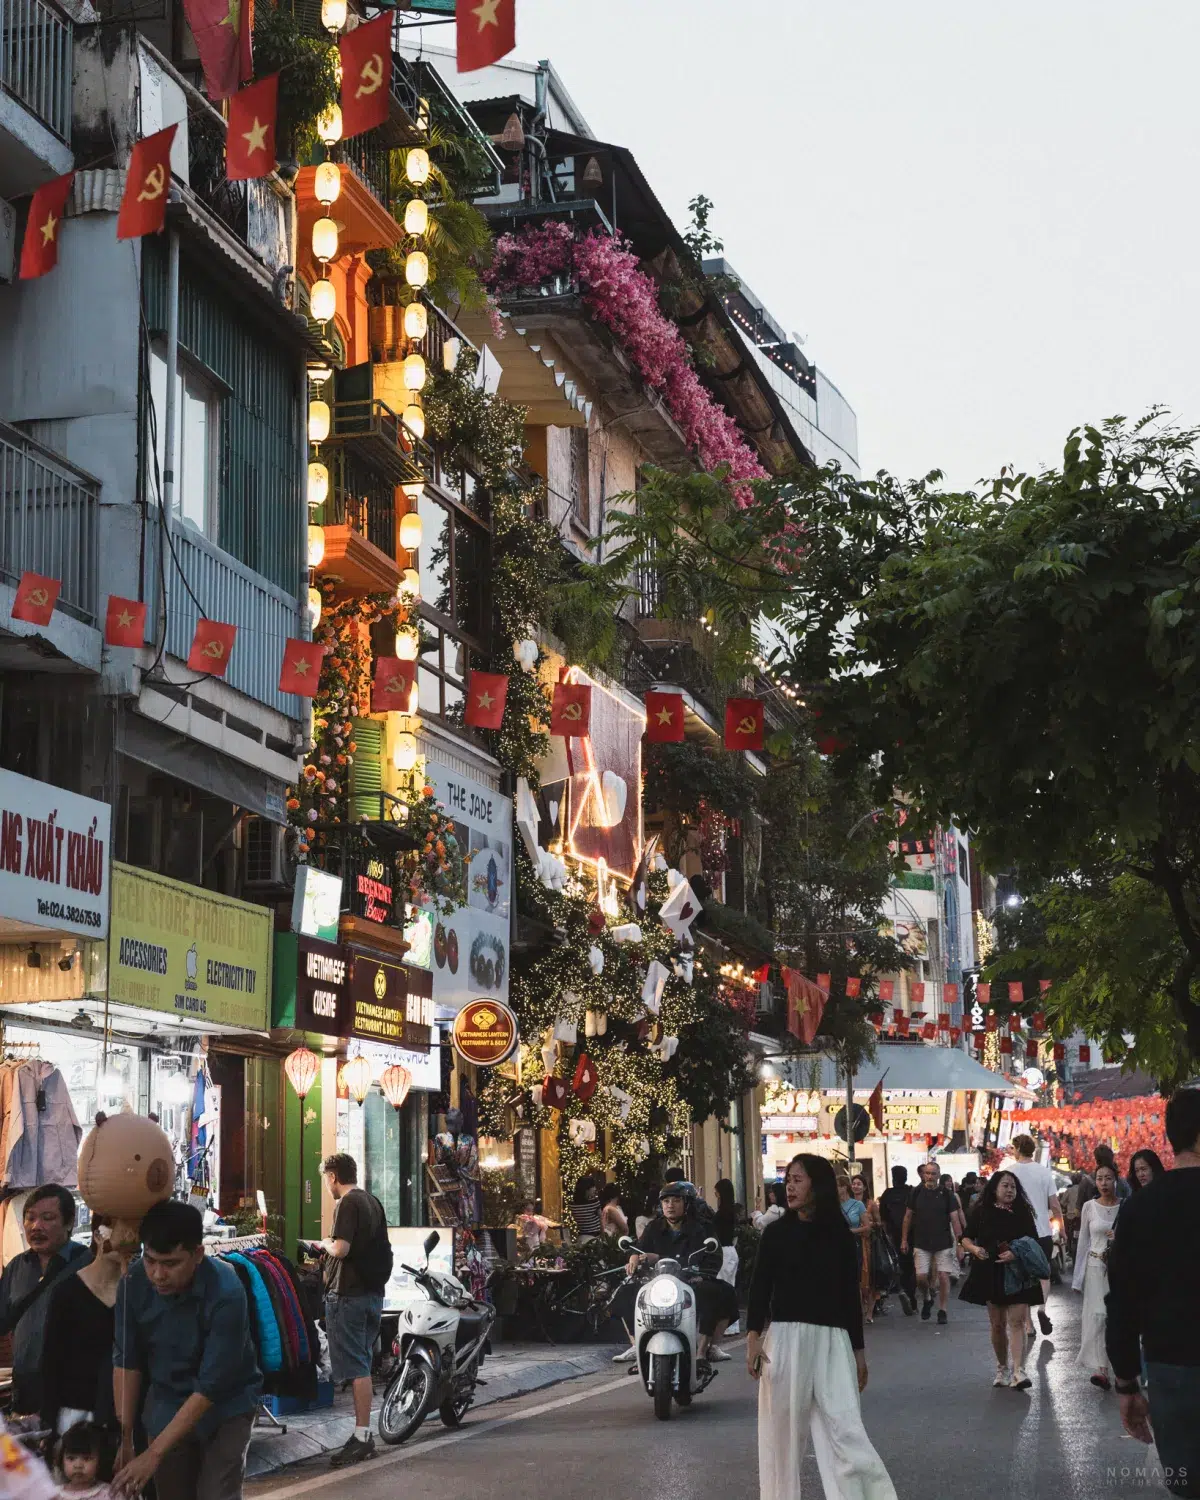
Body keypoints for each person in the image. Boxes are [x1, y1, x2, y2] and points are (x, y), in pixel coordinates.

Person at [747, 1153, 897, 1500]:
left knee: (846, 1431)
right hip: (784, 1342)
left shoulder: (839, 1236)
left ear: (818, 1184)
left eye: (798, 1179)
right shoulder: (775, 1234)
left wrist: (859, 1354)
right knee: (780, 1439)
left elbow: (849, 1298)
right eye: (788, 1180)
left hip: (834, 1342)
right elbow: (759, 1288)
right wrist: (754, 1339)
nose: (790, 1187)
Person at [112, 1200, 262, 1500]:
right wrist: (126, 1438)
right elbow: (127, 1361)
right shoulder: (132, 1282)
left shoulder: (227, 1290)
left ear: (197, 1254)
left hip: (225, 1406)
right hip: (166, 1402)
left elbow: (211, 1386)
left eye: (170, 1264)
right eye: (151, 1260)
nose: (157, 1274)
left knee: (216, 1492)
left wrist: (153, 1454)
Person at [1106, 1087, 1200, 1496]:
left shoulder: (1140, 1208)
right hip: (1170, 1366)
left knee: (1186, 1483)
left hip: (1170, 1367)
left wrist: (1127, 1383)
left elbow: (1122, 1300)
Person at [317, 1151, 392, 1469]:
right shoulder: (372, 1201)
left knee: (358, 1368)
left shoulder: (346, 1203)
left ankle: (362, 1437)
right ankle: (362, 1434)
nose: (326, 1185)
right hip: (372, 1296)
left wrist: (323, 1244)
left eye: (325, 1179)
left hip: (349, 1295)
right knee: (362, 1363)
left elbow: (342, 1248)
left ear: (333, 1176)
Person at [42, 1214, 135, 1437]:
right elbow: (51, 1360)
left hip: (125, 1413)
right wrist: (50, 1422)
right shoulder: (67, 1292)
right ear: (98, 1235)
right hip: (76, 1413)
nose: (127, 1239)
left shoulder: (136, 1290)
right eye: (119, 1232)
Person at [0, 1185, 88, 1417]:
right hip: (26, 1390)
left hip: (74, 1393)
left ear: (69, 1223)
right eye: (30, 1218)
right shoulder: (16, 1267)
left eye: (48, 1218)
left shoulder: (87, 1264)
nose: (36, 1226)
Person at [627, 1185, 737, 1365]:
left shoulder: (703, 1228)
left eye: (676, 1200)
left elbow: (713, 1257)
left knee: (722, 1293)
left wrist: (701, 1274)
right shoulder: (653, 1227)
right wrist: (633, 1256)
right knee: (626, 1292)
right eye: (666, 1201)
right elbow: (639, 1247)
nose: (670, 1205)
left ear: (686, 1204)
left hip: (691, 1280)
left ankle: (706, 1349)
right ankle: (635, 1345)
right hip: (658, 1284)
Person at [958, 1168, 1045, 1390]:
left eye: (1013, 1186)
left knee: (1017, 1322)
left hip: (1018, 1272)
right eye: (1005, 1185)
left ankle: (1019, 1370)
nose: (1009, 1190)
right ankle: (1002, 1367)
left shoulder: (1023, 1212)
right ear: (995, 1188)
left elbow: (1033, 1240)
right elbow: (965, 1237)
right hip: (990, 1270)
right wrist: (974, 1249)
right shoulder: (982, 1211)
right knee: (997, 1324)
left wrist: (1016, 1253)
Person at [999, 1133, 1063, 1336]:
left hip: (1017, 1233)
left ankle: (1028, 1325)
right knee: (1044, 1274)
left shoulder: (1008, 1172)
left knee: (1023, 1277)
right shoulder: (1044, 1173)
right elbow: (1054, 1204)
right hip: (1042, 1231)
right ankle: (1042, 1308)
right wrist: (1062, 1229)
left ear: (1017, 1149)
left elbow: (1001, 1203)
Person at [1073, 1161, 1120, 1389]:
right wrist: (1077, 1277)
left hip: (1118, 1269)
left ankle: (1119, 1366)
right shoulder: (1089, 1207)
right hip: (1094, 1267)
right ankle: (1101, 1369)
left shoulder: (1126, 1206)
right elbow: (1083, 1242)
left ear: (1116, 1181)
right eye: (1100, 1178)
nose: (1103, 1183)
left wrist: (1118, 1237)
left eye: (1108, 1178)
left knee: (1116, 1317)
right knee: (1098, 1316)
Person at [900, 1161, 964, 1325]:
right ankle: (927, 1298)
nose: (929, 1176)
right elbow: (907, 1217)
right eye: (927, 1173)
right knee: (921, 1278)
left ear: (938, 1175)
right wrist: (904, 1239)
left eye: (933, 1174)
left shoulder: (946, 1194)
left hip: (943, 1242)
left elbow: (955, 1218)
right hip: (921, 1242)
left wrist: (960, 1243)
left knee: (943, 1276)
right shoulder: (916, 1192)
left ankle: (942, 1310)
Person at [877, 1166, 915, 1315]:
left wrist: (886, 1235)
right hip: (913, 1234)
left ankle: (902, 1289)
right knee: (911, 1266)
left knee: (898, 1264)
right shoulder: (911, 1192)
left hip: (895, 1235)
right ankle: (910, 1295)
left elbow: (884, 1218)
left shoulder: (888, 1194)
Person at [846, 1175, 880, 1324]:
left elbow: (879, 1223)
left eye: (859, 1184)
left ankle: (870, 1311)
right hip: (851, 1243)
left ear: (865, 1187)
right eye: (853, 1184)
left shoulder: (870, 1204)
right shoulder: (846, 1204)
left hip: (867, 1244)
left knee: (868, 1278)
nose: (856, 1186)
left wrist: (869, 1224)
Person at [56, 1421, 112, 1500]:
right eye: (71, 1458)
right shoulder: (53, 1495)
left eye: (86, 1458)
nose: (78, 1465)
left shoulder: (109, 1493)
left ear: (100, 1461)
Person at [569, 1174, 603, 1242]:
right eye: (593, 1186)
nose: (595, 1189)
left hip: (582, 1237)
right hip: (595, 1237)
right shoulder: (594, 1202)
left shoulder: (572, 1205)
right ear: (587, 1189)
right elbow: (601, 1219)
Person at [714, 1178, 739, 1246]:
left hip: (723, 1250)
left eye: (717, 1192)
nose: (716, 1195)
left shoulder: (722, 1214)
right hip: (731, 1249)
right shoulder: (733, 1211)